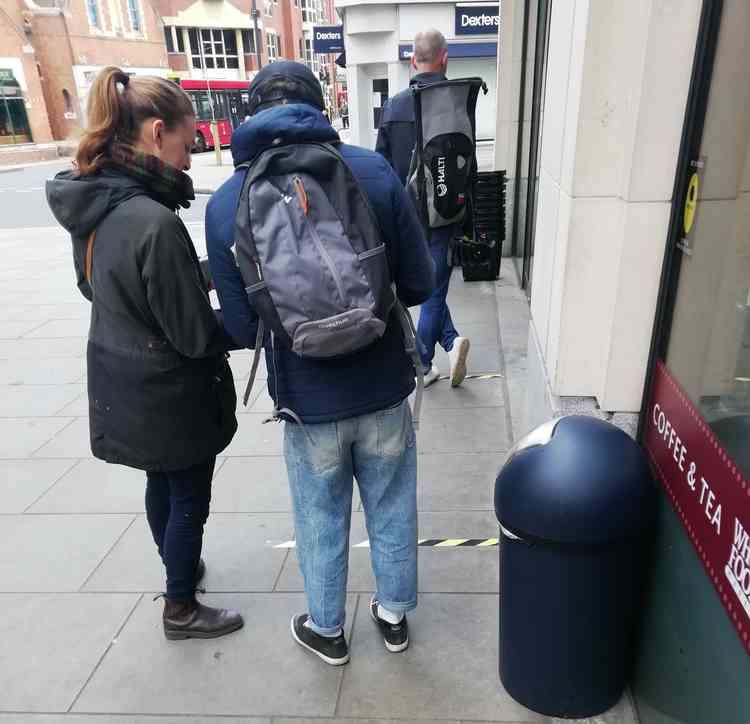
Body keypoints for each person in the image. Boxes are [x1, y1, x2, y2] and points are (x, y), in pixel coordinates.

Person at [206, 61, 434, 665]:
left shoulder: (228, 201)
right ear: (317, 106)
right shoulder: (372, 171)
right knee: (391, 501)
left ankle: (328, 629)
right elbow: (419, 281)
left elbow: (238, 326)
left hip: (306, 402)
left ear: (250, 114)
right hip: (383, 383)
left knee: (319, 515)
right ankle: (392, 616)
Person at [46, 67, 243, 641]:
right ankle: (180, 606)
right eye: (187, 143)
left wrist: (203, 273)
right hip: (168, 389)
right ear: (157, 133)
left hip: (122, 375)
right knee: (187, 494)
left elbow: (101, 285)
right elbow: (192, 334)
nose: (189, 157)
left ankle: (177, 570)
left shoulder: (95, 203)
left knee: (162, 479)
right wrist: (253, 320)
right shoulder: (154, 221)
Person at [376, 29, 471, 389]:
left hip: (403, 216)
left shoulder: (394, 107)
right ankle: (426, 360)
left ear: (413, 60)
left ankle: (442, 348)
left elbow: (381, 166)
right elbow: (468, 166)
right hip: (444, 216)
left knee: (429, 291)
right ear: (444, 58)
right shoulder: (457, 104)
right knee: (436, 291)